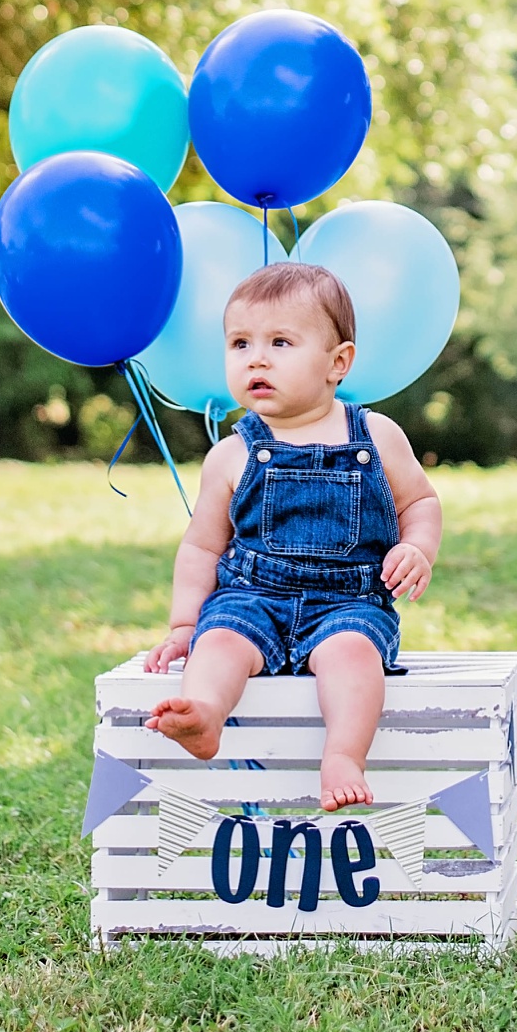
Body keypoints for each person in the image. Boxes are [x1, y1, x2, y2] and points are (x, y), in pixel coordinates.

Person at [140, 260, 441, 806]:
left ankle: (344, 754)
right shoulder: (231, 454)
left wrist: (416, 546)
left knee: (353, 655)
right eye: (239, 343)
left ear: (337, 363)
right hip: (251, 597)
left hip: (348, 603)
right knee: (221, 641)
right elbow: (203, 545)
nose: (256, 357)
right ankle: (204, 714)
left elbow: (419, 500)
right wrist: (186, 622)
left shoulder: (376, 435)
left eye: (281, 342)